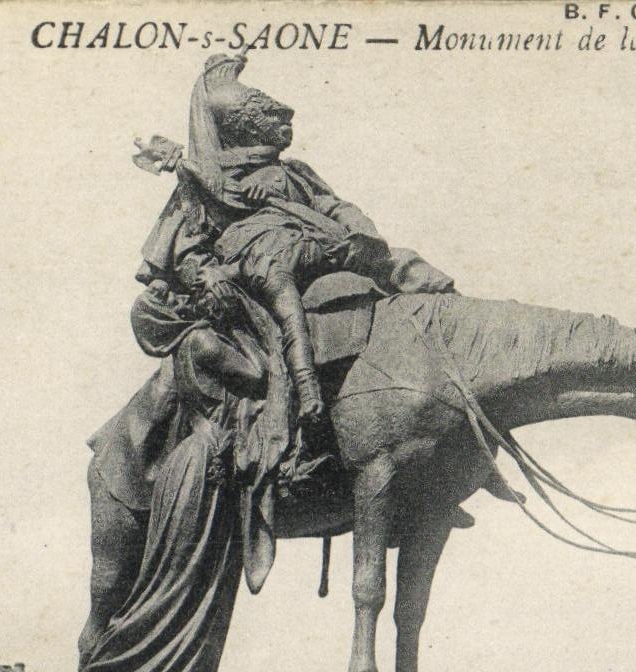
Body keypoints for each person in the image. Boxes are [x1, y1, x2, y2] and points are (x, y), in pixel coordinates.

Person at [136, 53, 453, 427]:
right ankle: (306, 386)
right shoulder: (204, 182)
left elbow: (335, 206)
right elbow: (185, 250)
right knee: (285, 299)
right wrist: (208, 275)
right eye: (271, 118)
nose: (283, 124)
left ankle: (453, 320)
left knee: (403, 261)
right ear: (246, 129)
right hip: (255, 269)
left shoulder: (294, 172)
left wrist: (361, 234)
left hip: (324, 244)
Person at [30, 285, 267, 672]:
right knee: (182, 581)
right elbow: (257, 373)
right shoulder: (202, 343)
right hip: (198, 465)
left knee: (182, 579)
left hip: (196, 463)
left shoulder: (185, 346)